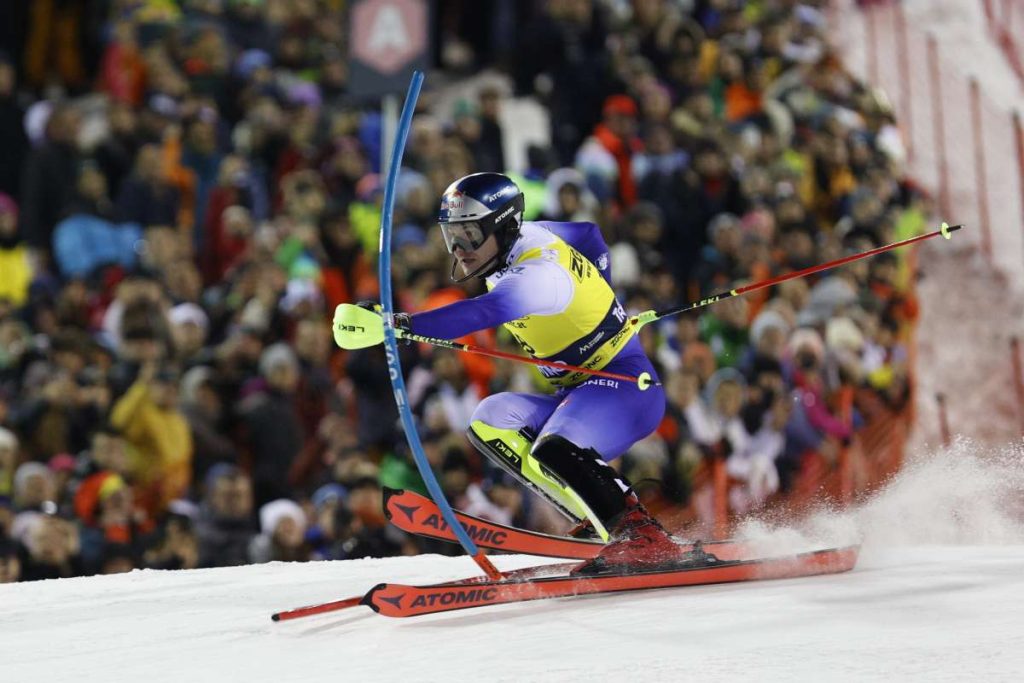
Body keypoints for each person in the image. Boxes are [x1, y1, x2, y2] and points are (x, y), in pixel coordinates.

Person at [334, 172, 686, 573]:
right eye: (452, 236)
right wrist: (600, 292)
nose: (459, 250)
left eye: (469, 235)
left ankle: (642, 536)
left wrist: (397, 326)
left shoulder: (539, 275)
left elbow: (484, 311)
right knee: (490, 421)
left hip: (626, 390)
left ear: (502, 227)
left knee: (554, 446)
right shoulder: (525, 236)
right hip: (577, 392)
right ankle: (599, 518)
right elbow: (588, 234)